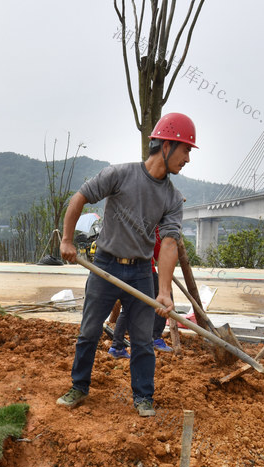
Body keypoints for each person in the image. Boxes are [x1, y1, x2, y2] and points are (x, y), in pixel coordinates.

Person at [57, 112, 195, 417]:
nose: (187, 159)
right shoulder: (119, 174)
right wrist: (67, 240)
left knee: (144, 339)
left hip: (141, 272)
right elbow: (79, 198)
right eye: (185, 150)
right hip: (105, 266)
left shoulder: (172, 198)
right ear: (167, 145)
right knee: (89, 331)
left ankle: (143, 396)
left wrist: (164, 292)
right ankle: (79, 387)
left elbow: (169, 243)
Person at [108, 226, 173, 358]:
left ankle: (117, 345)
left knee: (129, 307)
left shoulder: (127, 219)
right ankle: (155, 337)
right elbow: (157, 251)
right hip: (145, 271)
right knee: (165, 299)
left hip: (124, 269)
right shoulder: (153, 221)